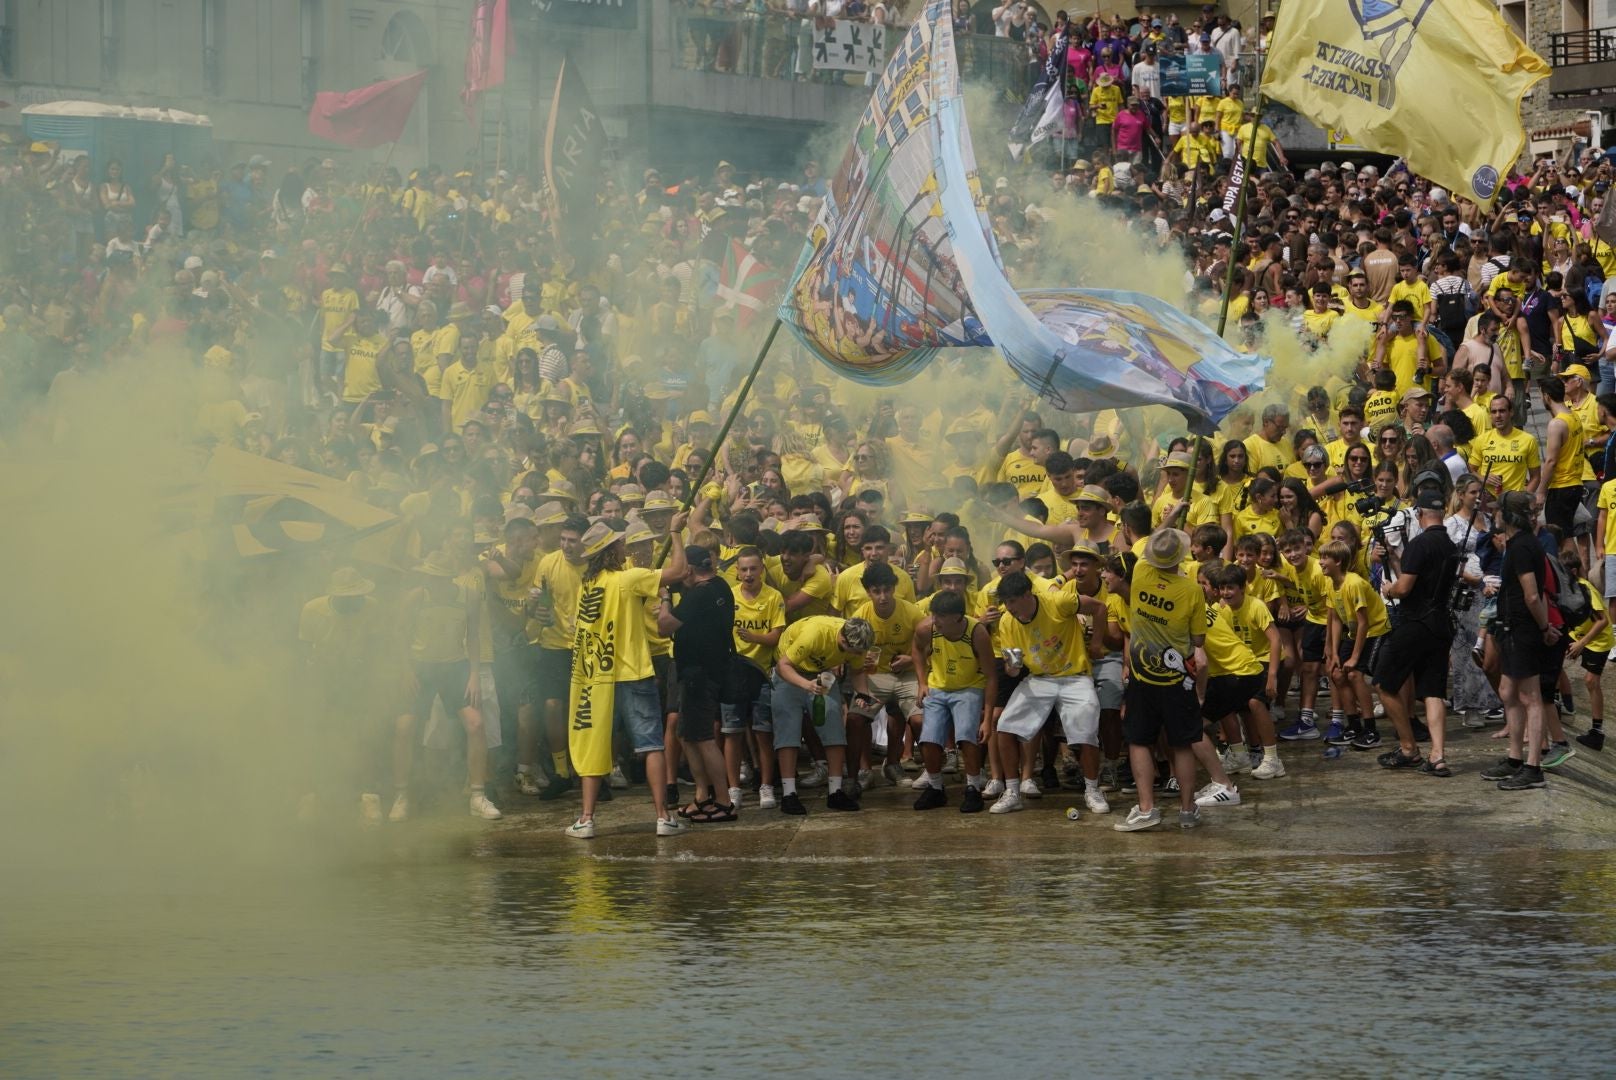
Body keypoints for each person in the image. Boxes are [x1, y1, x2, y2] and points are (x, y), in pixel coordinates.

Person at [565, 515, 690, 839]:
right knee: (650, 745)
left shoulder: (588, 585)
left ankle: (587, 819)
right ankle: (663, 817)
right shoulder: (628, 579)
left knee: (594, 746)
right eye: (620, 542)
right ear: (611, 549)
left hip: (595, 679)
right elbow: (679, 571)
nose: (625, 545)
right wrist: (674, 531)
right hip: (633, 673)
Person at [986, 569, 1110, 817]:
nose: (1008, 607)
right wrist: (1012, 669)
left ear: (1027, 594)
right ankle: (1012, 792)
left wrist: (1096, 644)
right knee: (1005, 726)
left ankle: (1093, 790)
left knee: (1086, 731)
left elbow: (1099, 608)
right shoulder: (1007, 621)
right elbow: (1013, 665)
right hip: (1039, 678)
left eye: (1012, 601)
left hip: (1074, 676)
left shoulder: (1058, 601)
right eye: (1005, 602)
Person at [1117, 528, 1208, 832]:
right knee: (1182, 743)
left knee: (1139, 740)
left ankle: (1147, 808)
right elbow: (1198, 637)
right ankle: (1187, 809)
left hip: (1142, 674)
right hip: (1177, 678)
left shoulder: (1141, 571)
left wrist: (1168, 519)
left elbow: (1143, 547)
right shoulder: (1193, 590)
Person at [1371, 485, 1460, 775]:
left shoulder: (1420, 544)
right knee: (1433, 691)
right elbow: (1418, 575)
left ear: (1419, 513)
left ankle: (1409, 748)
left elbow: (1405, 587)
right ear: (1442, 512)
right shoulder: (1449, 545)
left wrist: (1389, 587)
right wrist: (1395, 561)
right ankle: (1438, 755)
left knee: (1384, 685)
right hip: (1441, 626)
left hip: (1414, 624)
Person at [1480, 492, 1558, 790]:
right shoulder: (1514, 544)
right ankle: (1514, 758)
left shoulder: (1524, 546)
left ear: (1508, 515)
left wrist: (1543, 628)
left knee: (1530, 697)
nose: (1494, 515)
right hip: (1511, 628)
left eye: (1498, 511)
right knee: (1507, 691)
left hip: (1524, 630)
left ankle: (1533, 767)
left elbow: (1532, 595)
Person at [658, 544, 738, 823]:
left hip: (699, 675)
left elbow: (664, 625)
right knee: (686, 734)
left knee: (703, 737)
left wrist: (665, 598)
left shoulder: (699, 595)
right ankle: (703, 795)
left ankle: (724, 801)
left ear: (689, 570)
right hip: (704, 672)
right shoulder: (721, 586)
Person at [770, 615, 875, 815]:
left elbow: (857, 670)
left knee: (834, 728)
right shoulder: (815, 633)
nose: (856, 654)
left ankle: (835, 791)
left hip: (822, 674)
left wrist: (863, 695)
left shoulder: (857, 642)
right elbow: (782, 666)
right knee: (788, 731)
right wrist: (806, 685)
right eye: (853, 651)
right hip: (790, 671)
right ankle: (789, 794)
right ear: (843, 640)